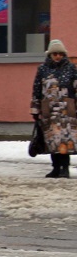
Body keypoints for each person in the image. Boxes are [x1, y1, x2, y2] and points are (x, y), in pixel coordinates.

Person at [30, 39, 77, 178]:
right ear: (49, 54)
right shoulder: (43, 69)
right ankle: (55, 168)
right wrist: (35, 109)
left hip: (66, 110)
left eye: (60, 54)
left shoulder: (71, 68)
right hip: (48, 110)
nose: (58, 56)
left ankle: (65, 168)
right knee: (51, 139)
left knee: (65, 140)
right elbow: (37, 90)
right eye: (55, 53)